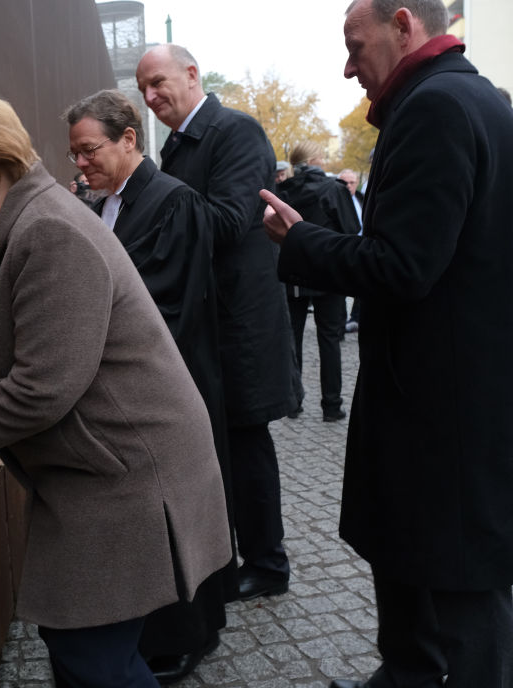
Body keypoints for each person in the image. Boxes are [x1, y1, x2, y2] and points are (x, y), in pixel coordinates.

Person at [0, 96, 232, 688]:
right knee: (84, 650)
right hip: (107, 477)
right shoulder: (32, 222)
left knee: (93, 656)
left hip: (128, 482)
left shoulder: (48, 233)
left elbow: (40, 389)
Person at [260, 0, 513, 685]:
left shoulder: (437, 107)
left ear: (404, 23)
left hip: (443, 407)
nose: (348, 67)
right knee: (425, 568)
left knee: (461, 593)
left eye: (355, 43)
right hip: (456, 395)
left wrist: (302, 240)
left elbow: (404, 266)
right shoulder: (474, 98)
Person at [62, 88, 230, 684]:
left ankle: (188, 639)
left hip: (163, 391)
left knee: (176, 525)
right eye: (74, 155)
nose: (80, 165)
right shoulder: (104, 203)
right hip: (133, 398)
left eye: (89, 151)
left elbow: (165, 307)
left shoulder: (173, 202)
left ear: (129, 139)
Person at [136, 44, 297, 607]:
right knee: (222, 446)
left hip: (240, 323)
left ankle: (268, 564)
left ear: (191, 74)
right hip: (206, 321)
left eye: (159, 83)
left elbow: (229, 222)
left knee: (247, 441)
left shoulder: (236, 132)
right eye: (144, 90)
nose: (151, 97)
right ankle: (232, 558)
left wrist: (149, 197)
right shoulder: (180, 146)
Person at [277, 141, 361, 423]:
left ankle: (294, 402)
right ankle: (332, 405)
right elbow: (351, 228)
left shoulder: (284, 189)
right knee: (329, 340)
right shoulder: (333, 189)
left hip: (293, 272)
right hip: (327, 272)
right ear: (315, 159)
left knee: (294, 339)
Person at [338, 168, 364, 333]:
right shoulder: (334, 200)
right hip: (343, 247)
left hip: (362, 247)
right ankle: (339, 324)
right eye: (344, 182)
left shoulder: (362, 198)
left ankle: (355, 317)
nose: (348, 185)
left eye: (351, 182)